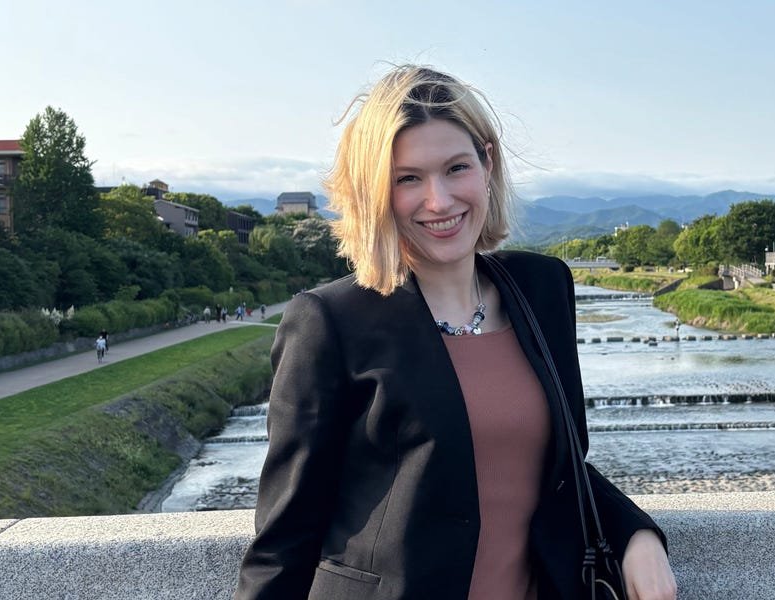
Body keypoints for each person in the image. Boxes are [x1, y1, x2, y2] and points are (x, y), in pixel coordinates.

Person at [235, 66, 675, 600]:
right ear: (374, 191)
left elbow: (560, 466)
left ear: (487, 163)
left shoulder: (542, 289)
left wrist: (635, 533)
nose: (439, 201)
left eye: (456, 168)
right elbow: (286, 536)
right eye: (408, 178)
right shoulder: (329, 321)